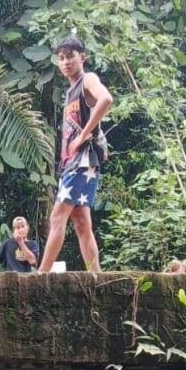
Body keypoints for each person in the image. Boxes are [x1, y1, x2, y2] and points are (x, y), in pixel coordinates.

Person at [38, 36, 112, 273]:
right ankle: (97, 276)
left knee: (57, 217)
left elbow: (106, 99)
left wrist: (83, 136)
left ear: (83, 57)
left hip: (82, 161)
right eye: (61, 58)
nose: (66, 62)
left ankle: (42, 274)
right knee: (81, 223)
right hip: (73, 163)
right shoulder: (70, 92)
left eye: (70, 56)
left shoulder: (87, 80)